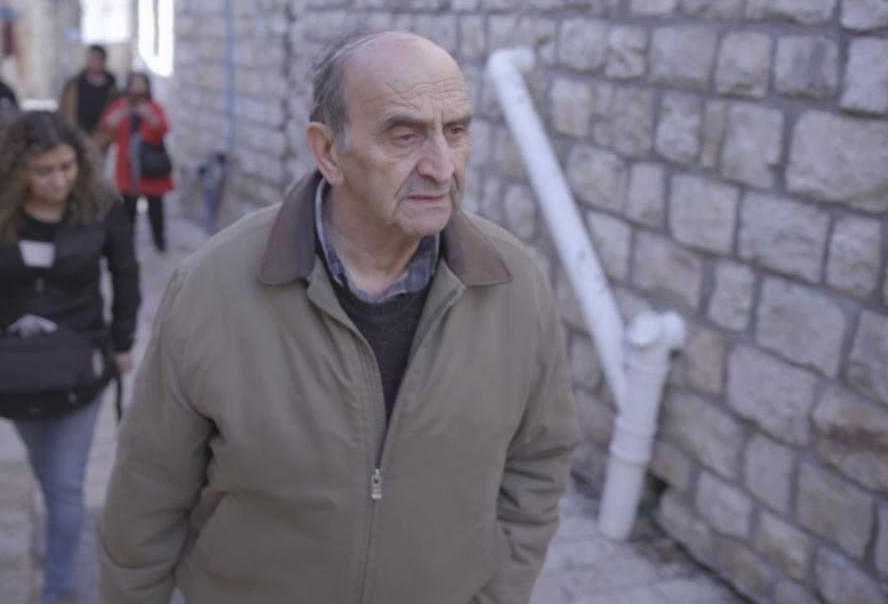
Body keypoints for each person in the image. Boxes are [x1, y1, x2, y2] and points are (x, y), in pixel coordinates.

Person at [97, 31, 580, 604]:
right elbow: (146, 501)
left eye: (456, 131)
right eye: (405, 136)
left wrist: (498, 594)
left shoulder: (514, 285)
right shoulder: (211, 288)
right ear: (328, 152)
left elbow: (538, 464)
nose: (442, 166)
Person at [0, 111, 139, 603]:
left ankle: (57, 590)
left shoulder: (101, 204)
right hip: (13, 368)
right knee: (49, 476)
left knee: (64, 486)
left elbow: (126, 276)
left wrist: (122, 341)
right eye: (44, 171)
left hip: (80, 361)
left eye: (67, 167)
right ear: (16, 169)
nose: (59, 180)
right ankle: (60, 559)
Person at [100, 71, 174, 252]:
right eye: (134, 83)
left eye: (141, 83)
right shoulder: (121, 106)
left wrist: (148, 114)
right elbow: (108, 125)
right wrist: (124, 111)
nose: (137, 87)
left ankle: (159, 240)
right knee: (128, 210)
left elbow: (162, 128)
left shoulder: (154, 107)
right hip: (128, 170)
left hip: (150, 168)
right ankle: (127, 244)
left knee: (155, 209)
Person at [58, 44, 119, 145]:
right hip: (75, 138)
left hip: (101, 140)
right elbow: (63, 110)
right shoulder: (73, 85)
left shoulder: (112, 89)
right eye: (90, 58)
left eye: (96, 58)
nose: (93, 61)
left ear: (103, 61)